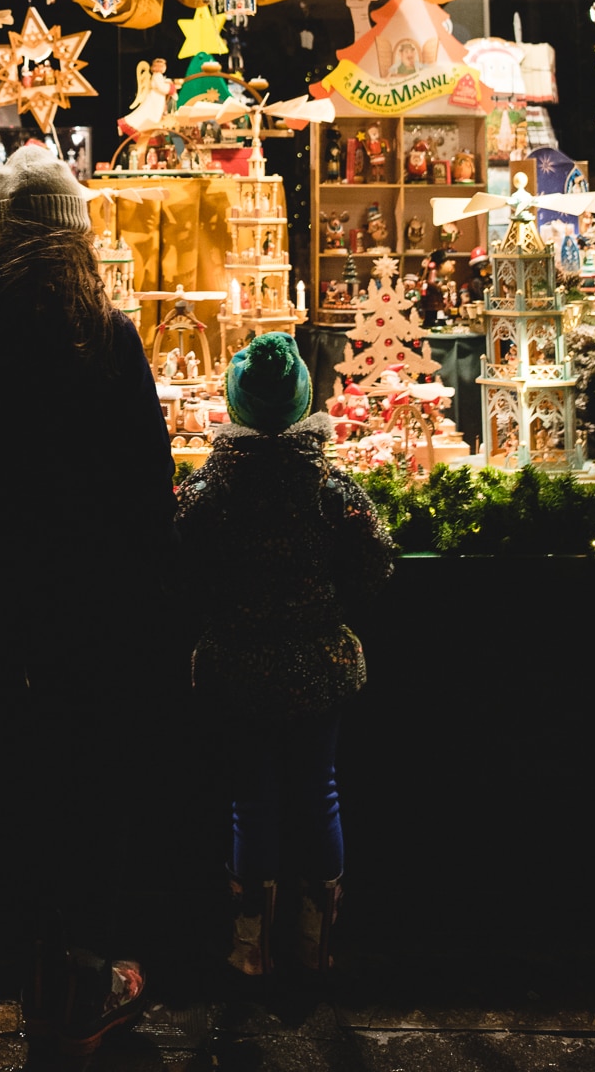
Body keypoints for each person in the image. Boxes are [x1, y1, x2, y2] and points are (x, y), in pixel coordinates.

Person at [0, 143, 176, 1057]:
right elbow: (151, 484)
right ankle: (79, 983)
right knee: (85, 793)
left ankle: (29, 978)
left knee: (6, 789)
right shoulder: (105, 336)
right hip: (90, 613)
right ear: (74, 243)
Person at [175, 333, 394, 977]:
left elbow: (178, 571)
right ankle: (315, 942)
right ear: (303, 399)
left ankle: (252, 950)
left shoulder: (208, 491)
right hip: (319, 667)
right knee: (318, 791)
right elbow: (378, 563)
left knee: (252, 799)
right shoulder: (333, 487)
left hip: (237, 666)